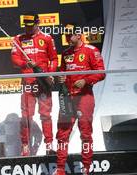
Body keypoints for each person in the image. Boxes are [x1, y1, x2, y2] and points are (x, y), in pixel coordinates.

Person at [53, 24, 106, 175]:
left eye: (70, 35)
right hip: (68, 98)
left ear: (79, 35)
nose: (68, 38)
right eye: (66, 35)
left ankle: (86, 168)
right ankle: (60, 169)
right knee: (62, 133)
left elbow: (101, 73)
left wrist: (86, 80)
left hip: (84, 97)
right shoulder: (65, 53)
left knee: (85, 133)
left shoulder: (91, 50)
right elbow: (62, 73)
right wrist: (61, 78)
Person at [11, 12, 58, 156]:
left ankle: (49, 146)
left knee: (45, 115)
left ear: (38, 23)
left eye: (31, 25)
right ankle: (25, 147)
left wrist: (50, 74)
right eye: (26, 25)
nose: (28, 28)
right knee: (26, 116)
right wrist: (26, 63)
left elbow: (54, 59)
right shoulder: (18, 39)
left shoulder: (47, 38)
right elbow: (14, 60)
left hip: (43, 83)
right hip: (28, 83)